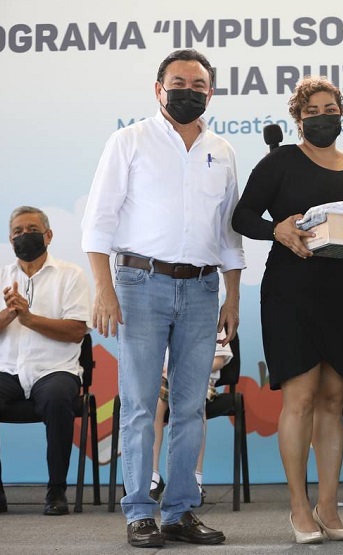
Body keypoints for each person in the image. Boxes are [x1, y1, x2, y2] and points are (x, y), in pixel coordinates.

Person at [82, 49, 243, 547]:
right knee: (138, 404)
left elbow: (229, 233)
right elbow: (98, 222)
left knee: (191, 406)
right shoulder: (129, 140)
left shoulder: (222, 150)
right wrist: (104, 290)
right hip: (139, 283)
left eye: (199, 84)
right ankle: (139, 512)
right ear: (158, 89)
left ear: (210, 93)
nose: (188, 90)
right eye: (178, 82)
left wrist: (232, 295)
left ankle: (178, 511)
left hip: (201, 288)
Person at [232, 76, 343, 544]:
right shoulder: (280, 161)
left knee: (334, 400)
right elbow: (242, 217)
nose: (323, 116)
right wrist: (276, 229)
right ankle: (299, 507)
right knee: (299, 398)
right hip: (289, 294)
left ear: (342, 112)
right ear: (299, 118)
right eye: (312, 110)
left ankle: (329, 506)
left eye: (330, 107)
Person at [0, 206, 90, 516]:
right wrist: (11, 312)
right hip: (8, 370)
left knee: (56, 398)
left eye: (31, 230)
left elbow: (77, 330)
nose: (24, 236)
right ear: (10, 240)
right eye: (17, 232)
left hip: (55, 369)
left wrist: (29, 318)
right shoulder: (2, 276)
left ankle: (56, 491)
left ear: (48, 236)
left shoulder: (70, 275)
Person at [149, 331, 232, 506]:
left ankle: (195, 478)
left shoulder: (210, 314)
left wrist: (187, 370)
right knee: (153, 405)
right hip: (162, 378)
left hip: (197, 378)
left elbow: (219, 360)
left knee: (196, 405)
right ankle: (152, 476)